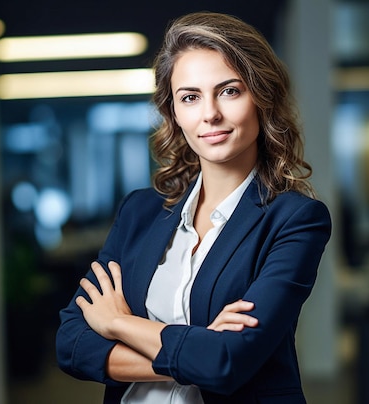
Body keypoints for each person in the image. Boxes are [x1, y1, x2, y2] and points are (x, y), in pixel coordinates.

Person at [56, 11, 331, 404]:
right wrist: (194, 349)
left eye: (230, 91)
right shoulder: (140, 213)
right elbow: (71, 343)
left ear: (262, 97)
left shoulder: (294, 220)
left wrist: (118, 323)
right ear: (174, 112)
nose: (210, 114)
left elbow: (226, 363)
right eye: (190, 97)